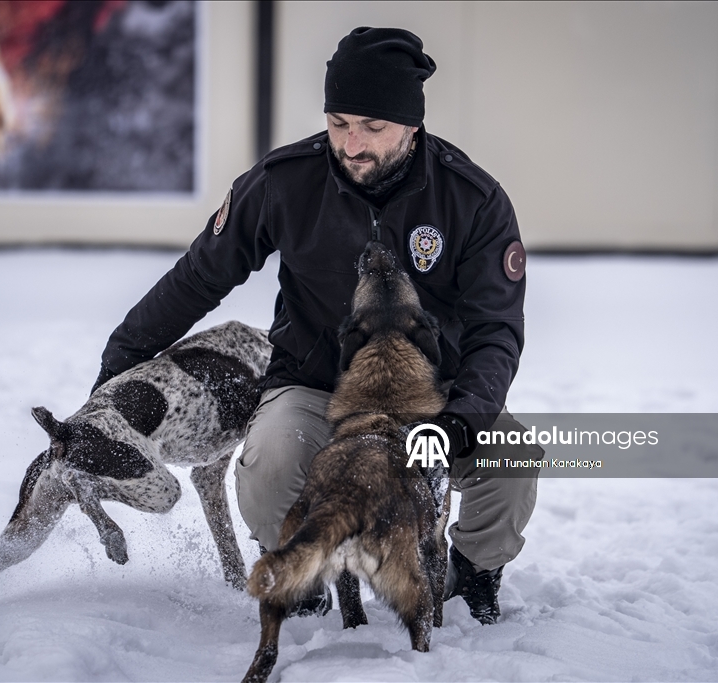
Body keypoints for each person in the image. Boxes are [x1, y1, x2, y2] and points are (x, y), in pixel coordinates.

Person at [93, 27, 541, 625]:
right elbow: (200, 277)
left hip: (432, 397)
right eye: (338, 122)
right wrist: (119, 360)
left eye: (373, 128)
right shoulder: (285, 182)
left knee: (513, 459)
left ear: (411, 125)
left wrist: (463, 419)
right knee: (271, 460)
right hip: (315, 385)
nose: (351, 144)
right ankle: (299, 576)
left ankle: (472, 576)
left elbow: (495, 329)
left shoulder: (473, 200)